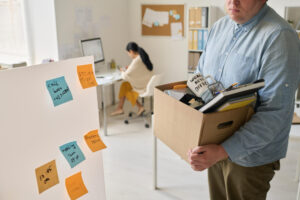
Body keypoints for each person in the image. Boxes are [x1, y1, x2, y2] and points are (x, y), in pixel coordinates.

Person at [187, 0, 300, 199]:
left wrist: (223, 150)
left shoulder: (279, 36)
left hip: (250, 156)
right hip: (214, 141)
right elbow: (200, 76)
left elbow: (275, 113)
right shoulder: (219, 27)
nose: (233, 1)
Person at [110, 42, 153, 116]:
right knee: (125, 85)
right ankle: (120, 108)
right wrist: (129, 68)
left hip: (143, 87)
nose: (129, 55)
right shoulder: (142, 57)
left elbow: (125, 76)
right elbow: (136, 70)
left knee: (126, 89)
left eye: (128, 53)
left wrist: (122, 71)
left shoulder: (136, 60)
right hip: (148, 84)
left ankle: (139, 107)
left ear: (131, 51)